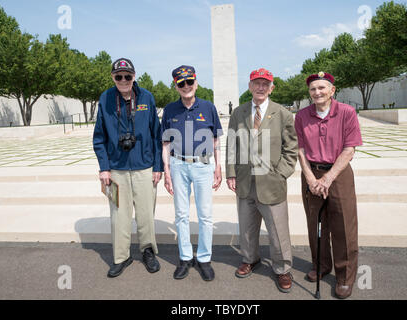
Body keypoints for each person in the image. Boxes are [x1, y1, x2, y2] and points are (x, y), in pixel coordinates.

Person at [225, 68, 298, 293]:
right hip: (246, 180)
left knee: (277, 230)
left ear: (271, 88)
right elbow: (231, 145)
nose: (260, 87)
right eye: (256, 83)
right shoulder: (239, 112)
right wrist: (231, 172)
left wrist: (281, 173)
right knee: (247, 227)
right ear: (249, 86)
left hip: (271, 181)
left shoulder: (282, 113)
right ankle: (250, 258)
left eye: (265, 84)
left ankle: (283, 269)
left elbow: (291, 147)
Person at [294, 72, 363, 299]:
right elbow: (300, 150)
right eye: (313, 89)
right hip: (311, 173)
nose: (317, 92)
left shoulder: (346, 112)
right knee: (315, 224)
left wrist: (328, 178)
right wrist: (311, 179)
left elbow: (349, 149)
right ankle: (321, 265)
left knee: (344, 227)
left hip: (338, 173)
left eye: (322, 88)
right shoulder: (302, 116)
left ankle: (344, 276)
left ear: (332, 90)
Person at [93, 58, 163, 277]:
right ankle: (121, 257)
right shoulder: (105, 99)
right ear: (113, 77)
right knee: (118, 216)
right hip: (115, 171)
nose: (123, 80)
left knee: (145, 215)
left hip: (144, 168)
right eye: (118, 76)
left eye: (127, 76)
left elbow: (156, 135)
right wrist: (104, 168)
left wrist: (157, 166)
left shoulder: (146, 97)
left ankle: (148, 251)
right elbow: (99, 138)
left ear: (134, 76)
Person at [161, 65, 223, 281]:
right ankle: (185, 258)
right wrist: (167, 172)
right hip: (178, 165)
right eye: (181, 83)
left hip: (203, 165)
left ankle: (204, 258)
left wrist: (218, 165)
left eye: (189, 82)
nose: (186, 86)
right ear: (177, 86)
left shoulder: (208, 107)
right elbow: (165, 144)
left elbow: (215, 140)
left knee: (205, 216)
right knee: (181, 215)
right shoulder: (170, 110)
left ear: (196, 83)